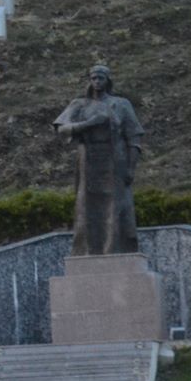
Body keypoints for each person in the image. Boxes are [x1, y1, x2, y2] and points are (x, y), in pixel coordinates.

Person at [54, 64, 145, 256]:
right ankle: (88, 251)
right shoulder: (79, 104)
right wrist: (90, 123)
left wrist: (130, 167)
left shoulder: (121, 104)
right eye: (93, 78)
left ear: (108, 80)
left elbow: (134, 137)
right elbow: (62, 129)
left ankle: (115, 250)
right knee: (87, 207)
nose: (97, 82)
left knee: (116, 207)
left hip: (115, 159)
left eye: (100, 78)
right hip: (88, 159)